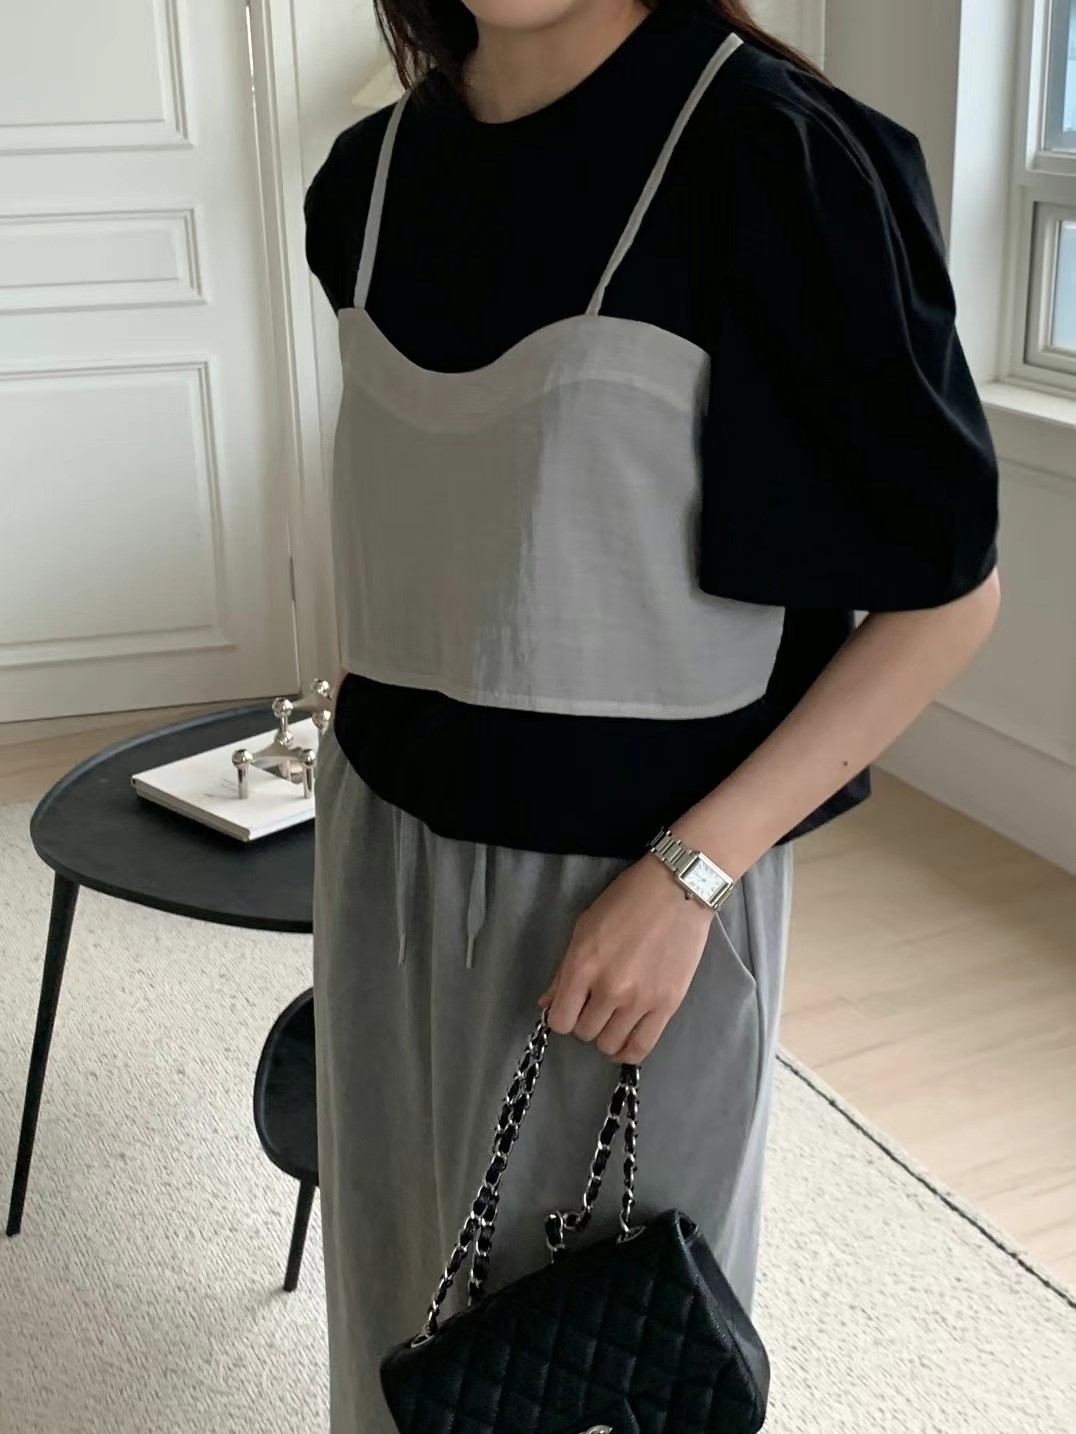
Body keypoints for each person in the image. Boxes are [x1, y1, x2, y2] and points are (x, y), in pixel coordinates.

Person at [305, 0, 1001, 1426]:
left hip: (630, 904)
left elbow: (948, 599)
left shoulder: (777, 162)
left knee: (593, 1364)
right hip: (377, 853)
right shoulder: (365, 184)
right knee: (397, 1334)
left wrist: (693, 873)